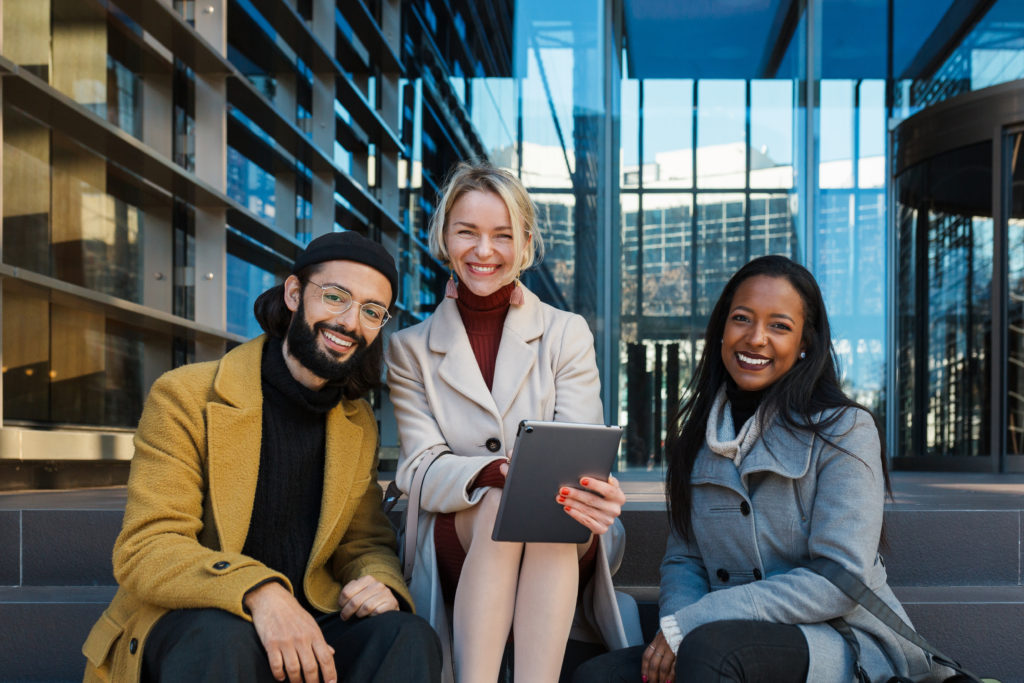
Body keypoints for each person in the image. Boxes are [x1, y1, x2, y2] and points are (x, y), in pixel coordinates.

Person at [573, 255, 953, 683]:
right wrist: (678, 630)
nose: (756, 338)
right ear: (721, 330)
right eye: (742, 319)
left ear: (805, 343)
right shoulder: (696, 437)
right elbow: (685, 562)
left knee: (714, 653)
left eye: (779, 326)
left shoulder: (846, 429)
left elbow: (842, 576)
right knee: (598, 676)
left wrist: (695, 624)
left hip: (840, 638)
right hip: (719, 639)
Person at [81, 232, 441, 683]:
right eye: (335, 296)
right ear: (294, 293)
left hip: (312, 614)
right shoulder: (186, 395)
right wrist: (262, 591)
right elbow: (148, 547)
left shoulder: (356, 421)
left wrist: (379, 582)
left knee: (406, 636)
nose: (351, 322)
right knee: (223, 639)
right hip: (201, 619)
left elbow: (363, 540)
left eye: (372, 311)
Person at [386, 161, 642, 682]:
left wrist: (593, 487)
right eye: (467, 233)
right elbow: (418, 469)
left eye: (502, 235)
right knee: (507, 500)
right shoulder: (407, 349)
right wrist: (490, 474)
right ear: (444, 237)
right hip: (461, 529)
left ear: (525, 242)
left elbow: (578, 456)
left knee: (548, 506)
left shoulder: (566, 333)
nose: (484, 252)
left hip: (562, 531)